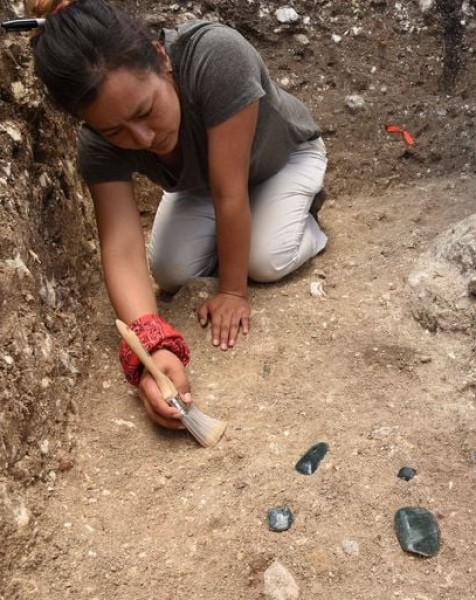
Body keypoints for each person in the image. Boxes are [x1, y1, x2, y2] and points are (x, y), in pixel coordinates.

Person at [23, 0, 328, 429]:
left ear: (161, 57)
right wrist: (152, 347)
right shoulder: (96, 143)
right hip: (205, 185)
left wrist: (233, 292)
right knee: (169, 271)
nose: (144, 138)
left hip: (283, 160)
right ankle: (248, 233)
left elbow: (230, 190)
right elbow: (122, 245)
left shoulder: (215, 55)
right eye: (116, 132)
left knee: (264, 261)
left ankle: (306, 221)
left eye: (145, 111)